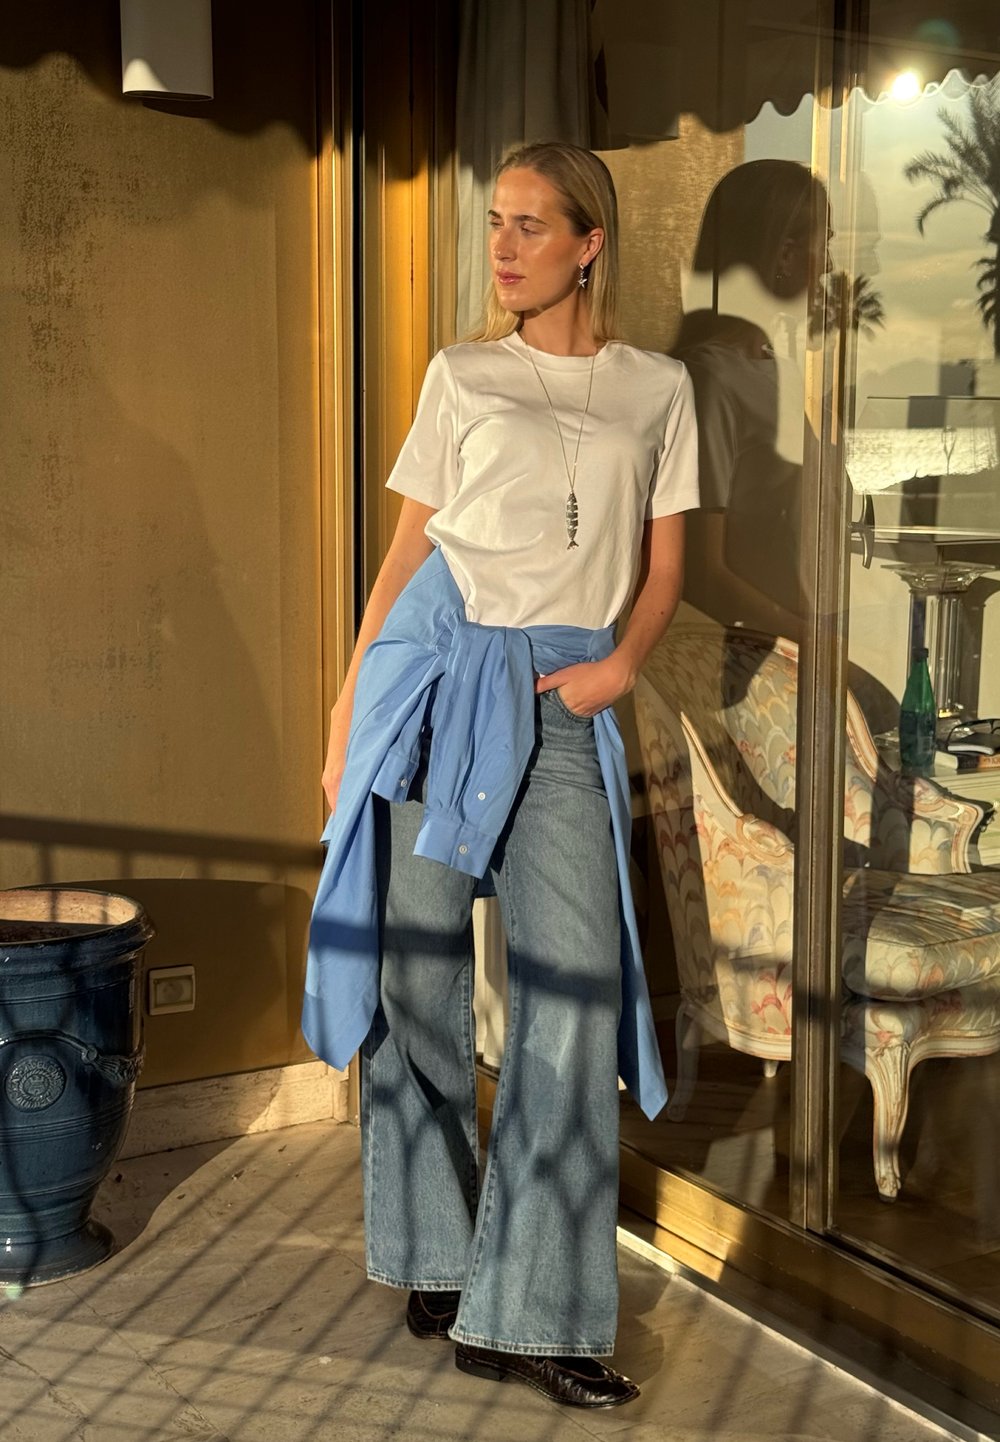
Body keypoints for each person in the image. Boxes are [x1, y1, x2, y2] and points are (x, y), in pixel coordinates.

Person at [303, 140, 698, 1408]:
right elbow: (402, 554)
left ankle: (530, 1310)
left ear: (592, 241)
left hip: (563, 693)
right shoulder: (463, 373)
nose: (504, 248)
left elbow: (666, 563)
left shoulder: (658, 389)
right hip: (438, 673)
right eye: (495, 225)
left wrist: (619, 664)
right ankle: (431, 1249)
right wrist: (346, 706)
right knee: (417, 968)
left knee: (574, 992)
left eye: (531, 226)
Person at [675, 159, 832, 640]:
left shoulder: (770, 367)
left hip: (782, 632)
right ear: (784, 255)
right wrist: (814, 640)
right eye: (823, 246)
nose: (828, 265)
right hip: (736, 647)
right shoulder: (712, 378)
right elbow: (705, 570)